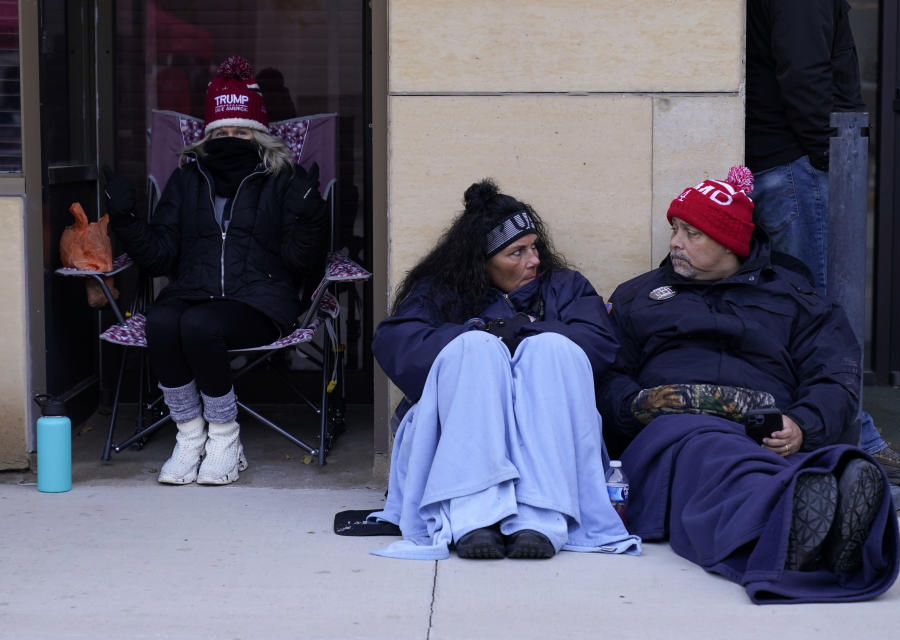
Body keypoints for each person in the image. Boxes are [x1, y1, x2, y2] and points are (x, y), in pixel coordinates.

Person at [597, 167, 899, 603]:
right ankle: (794, 517)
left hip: (766, 434)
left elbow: (835, 375)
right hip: (673, 431)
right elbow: (605, 373)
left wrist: (801, 425)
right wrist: (636, 405)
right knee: (711, 449)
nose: (675, 243)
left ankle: (806, 516)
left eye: (692, 233)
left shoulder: (798, 300)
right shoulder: (636, 297)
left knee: (777, 459)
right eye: (675, 229)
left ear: (730, 242)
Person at [369, 179, 639, 560]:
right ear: (481, 262)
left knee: (550, 348)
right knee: (475, 349)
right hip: (464, 425)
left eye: (534, 248)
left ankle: (541, 517)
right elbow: (398, 342)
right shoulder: (440, 291)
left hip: (549, 431)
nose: (533, 261)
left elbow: (597, 342)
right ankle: (471, 517)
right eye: (517, 253)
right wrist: (484, 334)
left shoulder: (566, 287)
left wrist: (523, 332)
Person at [104, 56, 328, 486]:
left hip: (261, 299)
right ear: (207, 137)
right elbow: (160, 257)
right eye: (221, 132)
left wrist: (310, 217)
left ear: (260, 135)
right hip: (194, 290)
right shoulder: (188, 180)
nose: (231, 139)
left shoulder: (283, 177)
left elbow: (300, 262)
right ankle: (190, 435)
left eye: (241, 131)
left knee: (200, 325)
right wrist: (127, 219)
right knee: (165, 321)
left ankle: (225, 438)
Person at [745, 0, 900, 486]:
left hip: (788, 162)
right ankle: (854, 439)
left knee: (807, 309)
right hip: (795, 165)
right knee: (819, 316)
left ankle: (842, 430)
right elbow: (803, 73)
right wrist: (831, 155)